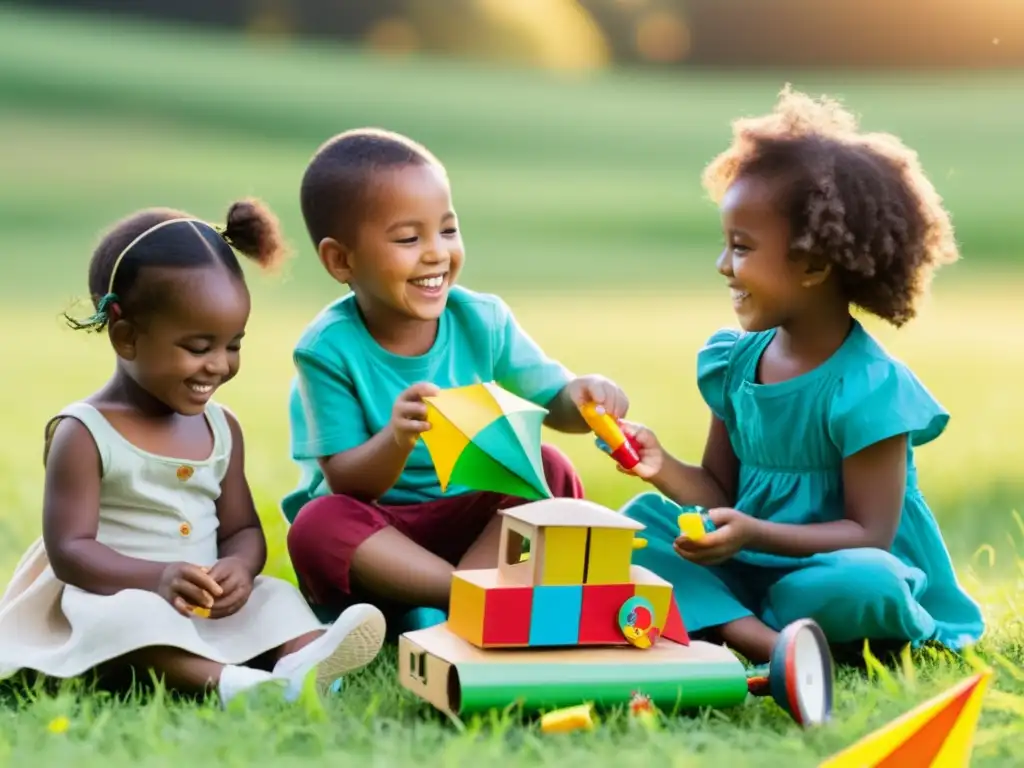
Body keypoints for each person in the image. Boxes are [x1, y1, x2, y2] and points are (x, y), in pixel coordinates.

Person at [617, 86, 985, 665]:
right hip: (747, 565)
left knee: (871, 583)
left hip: (830, 570)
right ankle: (769, 643)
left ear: (813, 263)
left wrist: (756, 535)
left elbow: (869, 535)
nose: (723, 265)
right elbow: (719, 495)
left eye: (741, 247)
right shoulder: (734, 361)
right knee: (636, 528)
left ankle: (732, 622)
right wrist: (662, 467)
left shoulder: (868, 389)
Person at [0, 202, 386, 708]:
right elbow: (71, 551)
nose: (219, 365)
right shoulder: (86, 432)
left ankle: (304, 664)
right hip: (113, 595)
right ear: (126, 335)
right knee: (130, 621)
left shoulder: (221, 429)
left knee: (278, 597)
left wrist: (241, 570)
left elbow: (242, 529)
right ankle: (233, 685)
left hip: (202, 602)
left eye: (233, 344)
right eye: (198, 346)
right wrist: (154, 579)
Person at [283, 128, 631, 633]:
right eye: (408, 238)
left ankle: (449, 603)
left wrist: (581, 395)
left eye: (447, 230)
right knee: (318, 525)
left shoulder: (481, 320)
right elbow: (347, 481)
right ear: (341, 260)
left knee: (550, 469)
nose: (436, 253)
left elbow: (553, 403)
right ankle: (463, 596)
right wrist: (396, 439)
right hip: (384, 530)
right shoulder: (326, 349)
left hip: (477, 522)